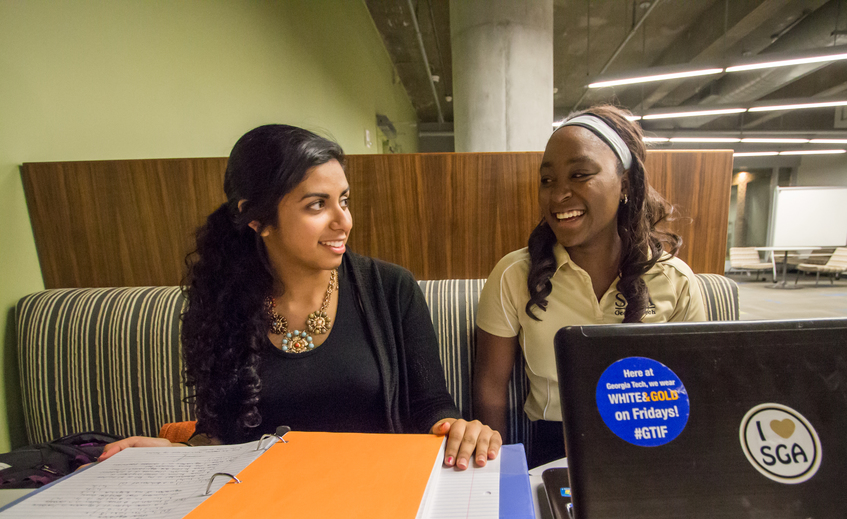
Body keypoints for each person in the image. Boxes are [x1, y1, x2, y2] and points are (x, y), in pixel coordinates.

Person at [101, 124, 500, 470]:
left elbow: (431, 406)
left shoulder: (391, 287)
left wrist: (458, 428)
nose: (343, 221)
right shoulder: (219, 302)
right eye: (317, 205)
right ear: (257, 218)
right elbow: (220, 435)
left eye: (343, 200)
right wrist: (175, 452)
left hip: (378, 491)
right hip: (264, 503)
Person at [473, 105, 706, 468]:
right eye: (547, 180)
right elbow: (490, 390)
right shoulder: (514, 274)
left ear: (626, 183)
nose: (558, 195)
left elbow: (693, 390)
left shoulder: (674, 279)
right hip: (553, 450)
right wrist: (497, 477)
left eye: (580, 175)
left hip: (649, 449)